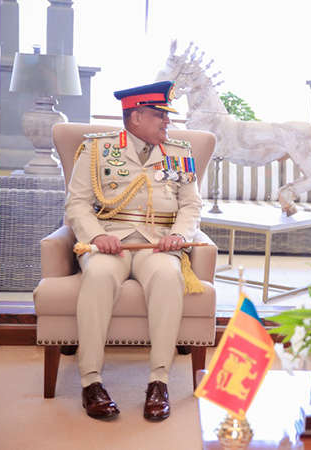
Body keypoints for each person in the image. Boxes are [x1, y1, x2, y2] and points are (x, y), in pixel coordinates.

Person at [65, 80, 203, 420]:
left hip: (158, 242)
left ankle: (159, 382)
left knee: (168, 277)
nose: (167, 121)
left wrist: (179, 235)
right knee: (98, 276)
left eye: (166, 116)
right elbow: (77, 204)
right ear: (136, 116)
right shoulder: (97, 149)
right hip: (110, 239)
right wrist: (97, 236)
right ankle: (91, 382)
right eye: (159, 115)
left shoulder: (179, 153)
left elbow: (191, 206)